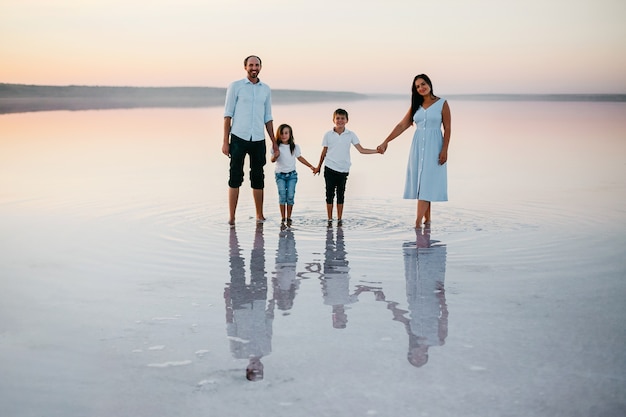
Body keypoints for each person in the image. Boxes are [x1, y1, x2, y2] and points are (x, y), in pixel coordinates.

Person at [377, 74, 451, 228]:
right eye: (417, 86)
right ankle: (427, 221)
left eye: (423, 84)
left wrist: (445, 149)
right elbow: (402, 126)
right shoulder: (415, 105)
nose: (421, 88)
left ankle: (417, 224)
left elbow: (448, 128)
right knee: (422, 185)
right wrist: (386, 141)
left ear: (429, 84)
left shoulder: (442, 103)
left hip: (434, 147)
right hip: (417, 149)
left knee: (426, 184)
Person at [222, 55, 279, 226]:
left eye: (257, 65)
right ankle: (231, 218)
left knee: (258, 177)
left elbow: (268, 117)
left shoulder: (265, 89)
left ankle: (259, 216)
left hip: (258, 139)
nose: (254, 68)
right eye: (251, 65)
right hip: (239, 138)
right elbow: (227, 115)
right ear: (245, 67)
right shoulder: (235, 86)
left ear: (261, 67)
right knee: (235, 177)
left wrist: (274, 141)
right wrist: (226, 141)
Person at [315, 108, 378, 227]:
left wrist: (376, 151)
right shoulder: (328, 134)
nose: (340, 120)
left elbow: (361, 149)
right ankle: (329, 219)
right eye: (337, 118)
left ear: (347, 120)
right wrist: (318, 167)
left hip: (343, 169)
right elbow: (324, 152)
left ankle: (339, 219)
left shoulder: (350, 134)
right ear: (333, 120)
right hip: (329, 167)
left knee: (341, 194)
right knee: (329, 194)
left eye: (342, 118)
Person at [270, 124, 316, 227]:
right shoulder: (276, 146)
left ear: (290, 134)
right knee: (282, 195)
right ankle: (283, 218)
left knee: (290, 196)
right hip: (280, 175)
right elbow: (272, 160)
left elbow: (300, 158)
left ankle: (289, 218)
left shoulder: (294, 147)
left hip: (292, 175)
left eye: (286, 133)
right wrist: (275, 156)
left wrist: (311, 166)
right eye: (281, 133)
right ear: (278, 134)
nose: (284, 135)